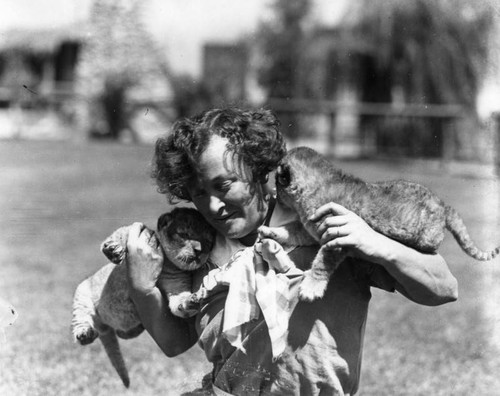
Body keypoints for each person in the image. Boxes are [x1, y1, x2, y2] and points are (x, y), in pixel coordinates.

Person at [125, 107, 458, 395]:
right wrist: (142, 287)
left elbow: (443, 288)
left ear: (256, 168)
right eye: (198, 193)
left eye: (223, 185)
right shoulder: (197, 248)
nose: (213, 205)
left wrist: (375, 244)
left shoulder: (325, 221)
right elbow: (174, 342)